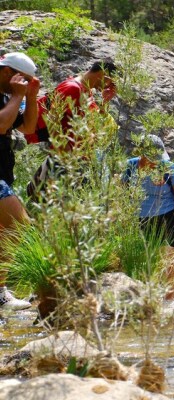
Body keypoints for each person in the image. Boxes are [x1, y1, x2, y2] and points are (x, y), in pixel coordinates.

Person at [123, 134, 174, 300]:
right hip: (139, 220)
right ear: (142, 154)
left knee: (167, 263)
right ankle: (150, 301)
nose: (155, 162)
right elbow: (121, 193)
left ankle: (169, 303)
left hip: (167, 217)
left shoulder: (170, 169)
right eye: (151, 158)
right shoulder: (130, 167)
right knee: (146, 262)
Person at [0, 52, 40, 310]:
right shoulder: (10, 95)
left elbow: (28, 128)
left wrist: (31, 98)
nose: (24, 84)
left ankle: (1, 293)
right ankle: (44, 287)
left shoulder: (10, 95)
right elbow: (2, 125)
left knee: (6, 233)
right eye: (22, 79)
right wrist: (17, 95)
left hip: (4, 173)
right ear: (6, 72)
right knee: (23, 227)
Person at [40, 59, 117, 151]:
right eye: (110, 82)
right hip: (62, 155)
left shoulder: (86, 91)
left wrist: (105, 101)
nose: (108, 87)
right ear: (102, 74)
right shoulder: (73, 88)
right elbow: (51, 119)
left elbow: (93, 121)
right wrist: (65, 150)